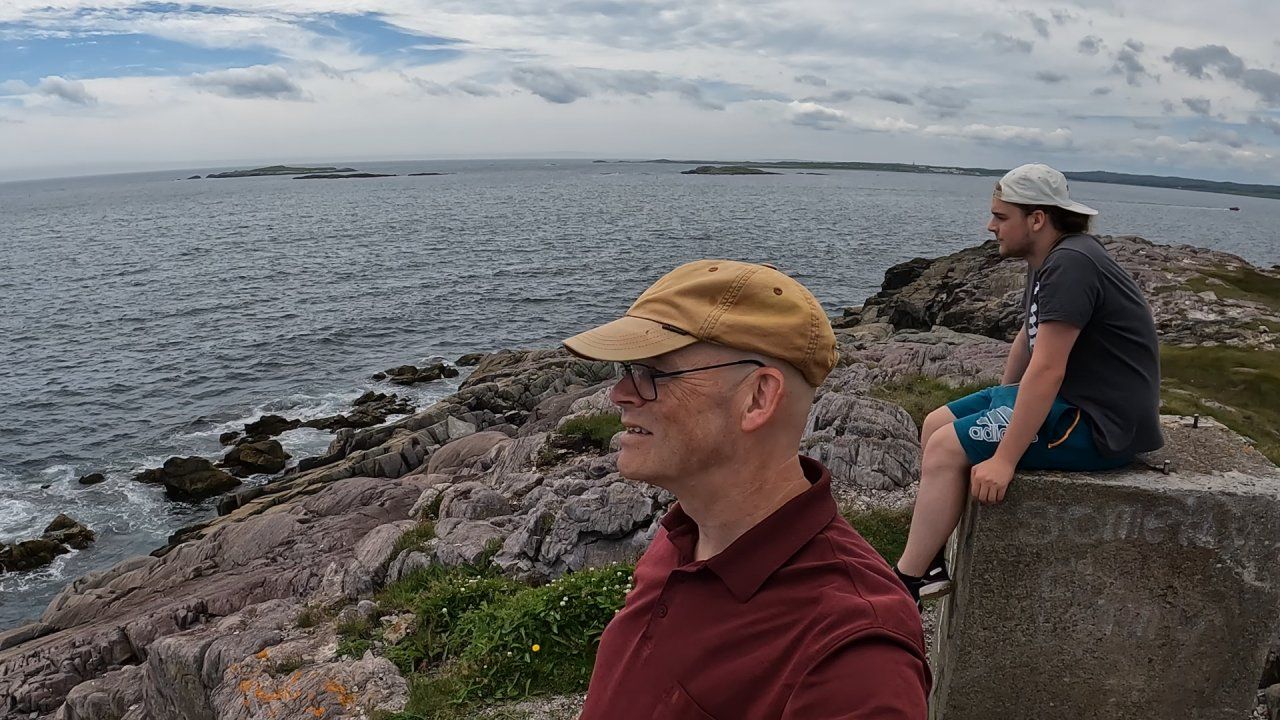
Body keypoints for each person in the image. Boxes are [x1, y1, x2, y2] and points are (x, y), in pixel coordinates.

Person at [563, 260, 929, 720]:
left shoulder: (852, 655)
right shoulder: (683, 535)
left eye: (652, 373)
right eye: (627, 369)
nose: (620, 393)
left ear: (758, 397)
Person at [893, 163, 1164, 605]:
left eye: (1001, 216)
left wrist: (1004, 457)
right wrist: (1001, 400)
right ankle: (932, 563)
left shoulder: (1072, 264)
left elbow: (1048, 368)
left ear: (1037, 219)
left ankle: (905, 582)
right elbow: (1028, 335)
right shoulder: (1054, 258)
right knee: (935, 424)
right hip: (1070, 401)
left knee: (946, 447)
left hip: (1099, 424)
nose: (990, 226)